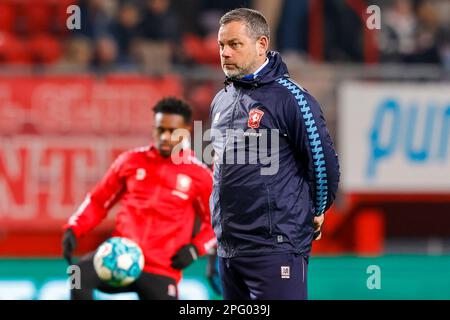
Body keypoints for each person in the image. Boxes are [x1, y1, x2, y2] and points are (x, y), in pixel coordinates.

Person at [209, 8, 340, 300]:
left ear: (261, 45)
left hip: (275, 246)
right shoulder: (221, 100)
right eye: (221, 46)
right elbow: (220, 170)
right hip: (230, 250)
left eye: (234, 44)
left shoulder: (292, 98)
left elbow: (323, 163)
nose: (225, 53)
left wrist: (318, 210)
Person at [62, 97, 217, 300]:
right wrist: (75, 228)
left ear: (186, 131)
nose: (165, 136)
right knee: (77, 273)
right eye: (160, 129)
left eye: (172, 131)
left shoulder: (200, 175)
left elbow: (216, 222)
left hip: (162, 268)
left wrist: (195, 250)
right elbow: (98, 200)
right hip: (117, 257)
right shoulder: (130, 161)